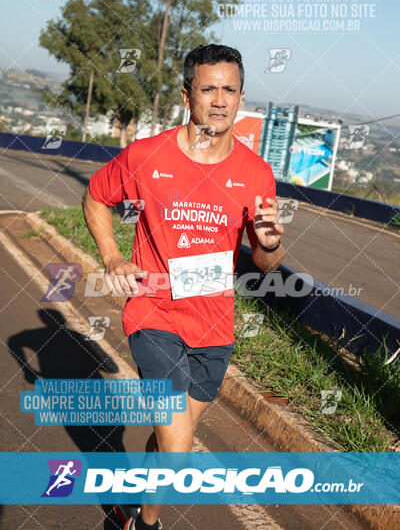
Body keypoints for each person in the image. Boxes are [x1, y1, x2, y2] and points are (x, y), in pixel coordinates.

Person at [82, 43, 285, 530]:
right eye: (208, 88)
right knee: (178, 452)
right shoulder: (147, 155)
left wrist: (272, 243)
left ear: (241, 97)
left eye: (229, 90)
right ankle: (145, 525)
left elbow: (266, 261)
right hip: (154, 314)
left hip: (214, 323)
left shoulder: (255, 173)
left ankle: (131, 511)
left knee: (171, 439)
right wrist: (111, 256)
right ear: (186, 95)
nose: (219, 100)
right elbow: (95, 196)